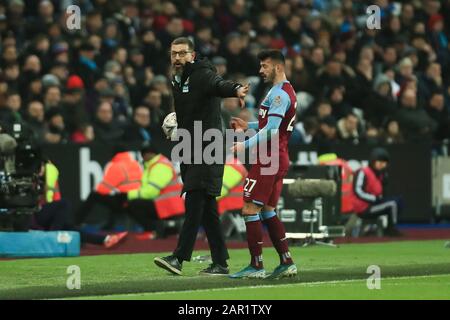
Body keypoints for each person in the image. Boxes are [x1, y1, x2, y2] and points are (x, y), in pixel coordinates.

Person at [153, 37, 249, 276]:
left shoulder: (201, 74)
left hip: (208, 147)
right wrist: (177, 127)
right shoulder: (178, 79)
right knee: (207, 208)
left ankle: (178, 257)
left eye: (182, 53)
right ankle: (221, 262)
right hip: (189, 145)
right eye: (174, 53)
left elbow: (218, 84)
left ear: (192, 55)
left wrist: (235, 89)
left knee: (194, 199)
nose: (177, 58)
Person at [229, 49, 297, 279]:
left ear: (278, 67)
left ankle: (256, 266)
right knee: (267, 209)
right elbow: (269, 126)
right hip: (277, 157)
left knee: (250, 208)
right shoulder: (281, 92)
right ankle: (286, 261)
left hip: (270, 158)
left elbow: (271, 131)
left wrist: (243, 145)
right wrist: (248, 127)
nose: (261, 70)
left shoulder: (279, 95)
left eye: (265, 66)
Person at [32, 157, 127, 248]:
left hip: (44, 216)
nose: (42, 170)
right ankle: (51, 238)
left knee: (71, 228)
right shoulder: (32, 180)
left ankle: (105, 239)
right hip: (34, 217)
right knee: (65, 204)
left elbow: (54, 200)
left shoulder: (46, 180)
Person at [75, 143, 142, 231]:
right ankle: (109, 225)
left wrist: (98, 189)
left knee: (94, 195)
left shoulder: (116, 166)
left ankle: (76, 222)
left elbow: (103, 189)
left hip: (124, 202)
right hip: (138, 199)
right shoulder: (136, 164)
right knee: (115, 197)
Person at [125, 143, 185, 238]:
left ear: (149, 154)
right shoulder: (154, 165)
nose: (142, 157)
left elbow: (151, 192)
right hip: (165, 204)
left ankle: (155, 229)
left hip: (169, 206)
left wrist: (128, 195)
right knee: (135, 204)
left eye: (143, 155)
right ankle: (161, 228)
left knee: (135, 204)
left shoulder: (161, 166)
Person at [351, 147, 403, 236]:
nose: (382, 165)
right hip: (363, 208)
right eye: (379, 162)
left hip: (374, 204)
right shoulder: (363, 172)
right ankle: (391, 229)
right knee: (392, 204)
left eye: (384, 163)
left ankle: (389, 227)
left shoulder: (381, 174)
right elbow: (358, 191)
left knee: (398, 201)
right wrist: (374, 198)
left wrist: (380, 198)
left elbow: (381, 193)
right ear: (373, 161)